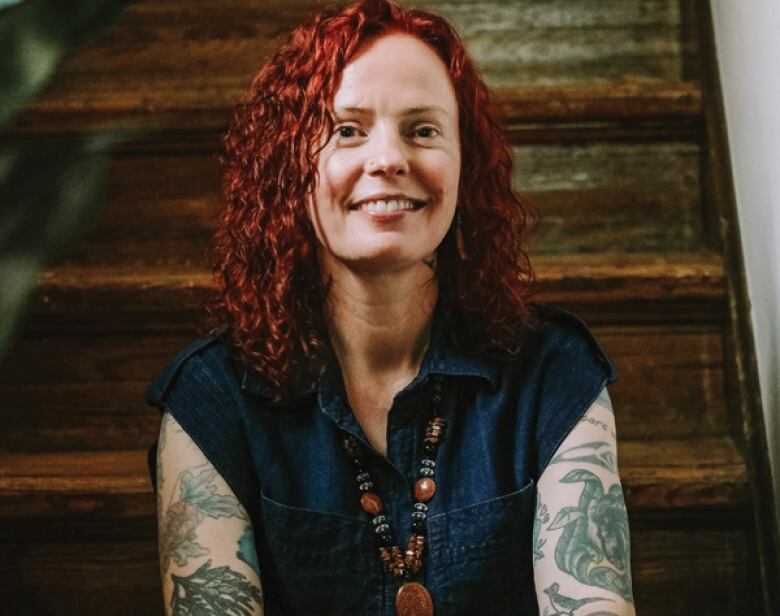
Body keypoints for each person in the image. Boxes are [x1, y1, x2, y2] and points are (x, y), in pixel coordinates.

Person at [146, 1, 635, 614]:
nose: (389, 159)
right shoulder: (213, 397)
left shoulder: (553, 373)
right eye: (347, 130)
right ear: (289, 165)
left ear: (466, 165)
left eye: (423, 129)